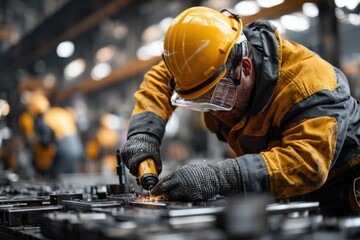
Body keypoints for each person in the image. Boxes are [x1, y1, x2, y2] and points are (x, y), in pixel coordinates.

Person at [120, 6, 360, 211]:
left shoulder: (311, 86)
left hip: (343, 192)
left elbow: (307, 163)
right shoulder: (207, 61)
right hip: (287, 197)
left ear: (245, 67)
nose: (214, 111)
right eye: (202, 102)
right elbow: (163, 76)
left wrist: (221, 177)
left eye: (217, 97)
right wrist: (144, 133)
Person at [26, 91, 84, 179]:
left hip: (64, 150)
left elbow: (45, 142)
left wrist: (35, 141)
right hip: (77, 148)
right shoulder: (60, 112)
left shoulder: (45, 118)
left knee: (56, 179)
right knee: (71, 179)